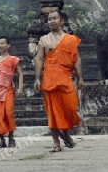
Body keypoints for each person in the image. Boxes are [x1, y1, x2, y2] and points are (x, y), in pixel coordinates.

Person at [33, 11, 85, 153]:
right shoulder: (44, 40)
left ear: (62, 21)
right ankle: (56, 143)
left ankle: (66, 133)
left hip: (66, 77)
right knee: (53, 113)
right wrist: (37, 78)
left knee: (70, 109)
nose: (51, 21)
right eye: (49, 19)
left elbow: (77, 59)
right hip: (50, 79)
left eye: (55, 18)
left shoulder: (70, 39)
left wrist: (80, 78)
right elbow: (39, 59)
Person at [0, 37, 24, 148]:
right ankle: (2, 140)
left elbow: (20, 73)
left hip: (7, 89)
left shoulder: (13, 59)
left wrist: (20, 88)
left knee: (8, 113)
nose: (0, 46)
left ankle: (11, 138)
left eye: (2, 43)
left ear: (8, 45)